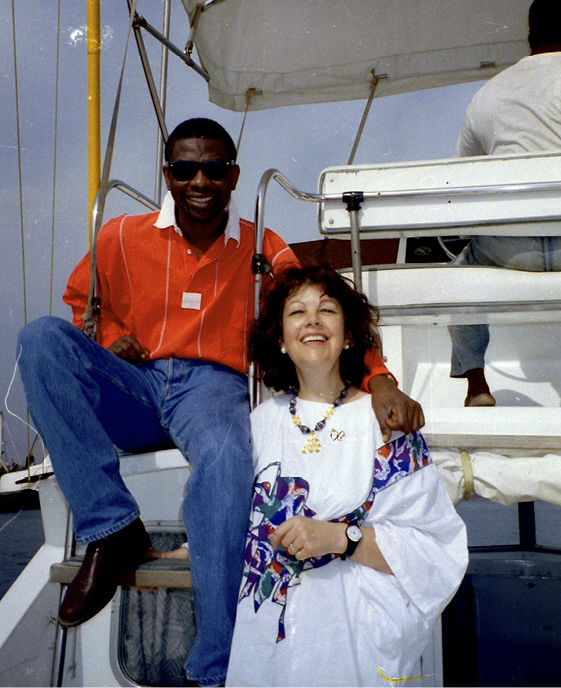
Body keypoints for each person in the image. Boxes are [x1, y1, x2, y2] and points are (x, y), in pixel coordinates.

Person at [16, 118, 423, 687]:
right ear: (167, 175)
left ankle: (216, 672)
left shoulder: (262, 246)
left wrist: (379, 379)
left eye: (213, 169)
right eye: (185, 170)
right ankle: (110, 528)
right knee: (39, 340)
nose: (199, 181)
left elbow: (323, 306)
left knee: (230, 459)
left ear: (233, 177)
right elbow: (84, 300)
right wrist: (111, 340)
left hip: (212, 388)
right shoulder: (119, 236)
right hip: (137, 382)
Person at [226, 264, 467, 687]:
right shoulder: (257, 425)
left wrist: (341, 538)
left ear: (350, 335)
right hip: (268, 652)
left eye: (327, 310)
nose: (313, 320)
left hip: (351, 650)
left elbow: (437, 549)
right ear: (280, 340)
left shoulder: (385, 424)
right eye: (297, 312)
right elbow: (236, 527)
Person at [449, 0, 561, 406]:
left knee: (459, 275)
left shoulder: (488, 94)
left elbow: (461, 183)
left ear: (530, 37)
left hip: (512, 251)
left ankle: (477, 386)